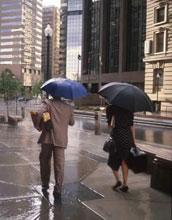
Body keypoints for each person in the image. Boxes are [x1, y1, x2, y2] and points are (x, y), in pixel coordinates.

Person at [34, 97, 74, 199]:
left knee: (44, 160)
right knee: (59, 165)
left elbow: (38, 113)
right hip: (61, 139)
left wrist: (38, 125)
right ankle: (58, 188)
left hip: (48, 137)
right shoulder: (68, 107)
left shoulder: (47, 104)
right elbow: (72, 122)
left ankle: (45, 184)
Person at [106, 104, 136, 192]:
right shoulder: (129, 108)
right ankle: (125, 184)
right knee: (124, 161)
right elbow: (132, 126)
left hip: (117, 137)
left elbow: (110, 126)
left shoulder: (110, 108)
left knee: (111, 161)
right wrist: (134, 142)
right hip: (128, 137)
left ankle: (118, 180)